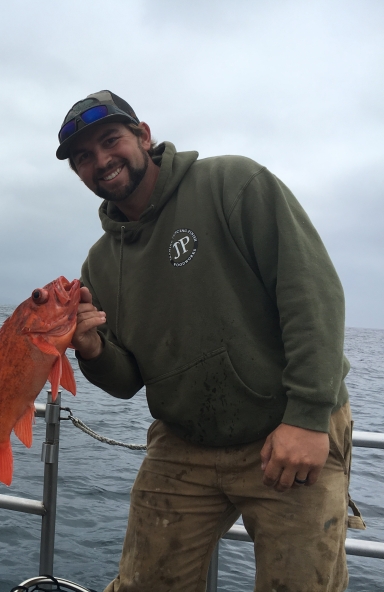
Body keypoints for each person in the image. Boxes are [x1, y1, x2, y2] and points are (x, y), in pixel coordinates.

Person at [60, 90, 363, 592]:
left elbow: (312, 294)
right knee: (143, 585)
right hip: (184, 441)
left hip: (286, 429)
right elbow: (128, 379)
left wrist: (308, 417)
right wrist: (93, 352)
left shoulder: (232, 183)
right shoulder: (99, 263)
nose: (101, 160)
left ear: (143, 136)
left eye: (111, 140)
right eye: (83, 157)